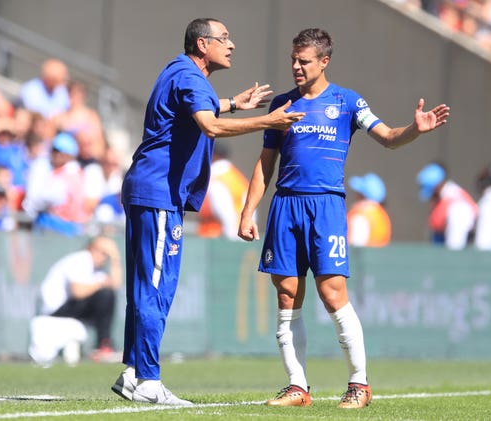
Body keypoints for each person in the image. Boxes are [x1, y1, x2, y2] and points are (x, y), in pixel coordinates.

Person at [237, 28, 449, 409]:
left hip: (326, 207)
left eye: (304, 61)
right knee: (287, 294)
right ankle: (297, 387)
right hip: (285, 206)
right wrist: (248, 211)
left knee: (332, 293)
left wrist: (414, 130)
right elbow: (265, 164)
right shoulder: (282, 105)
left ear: (324, 61)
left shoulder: (348, 102)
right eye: (293, 60)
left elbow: (387, 136)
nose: (296, 67)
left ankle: (359, 385)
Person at [111, 18, 304, 406]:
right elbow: (209, 126)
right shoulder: (190, 76)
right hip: (158, 194)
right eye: (224, 39)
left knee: (143, 288)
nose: (231, 45)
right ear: (203, 44)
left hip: (147, 190)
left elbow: (198, 108)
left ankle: (132, 372)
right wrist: (269, 120)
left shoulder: (179, 72)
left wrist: (235, 103)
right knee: (155, 289)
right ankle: (148, 379)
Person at [33, 235, 122, 364]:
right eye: (103, 252)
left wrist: (115, 257)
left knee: (107, 295)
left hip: (71, 307)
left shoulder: (96, 268)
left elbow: (115, 284)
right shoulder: (81, 260)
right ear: (91, 248)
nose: (105, 257)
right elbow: (78, 292)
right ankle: (103, 345)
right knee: (105, 295)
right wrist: (101, 284)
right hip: (56, 310)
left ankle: (104, 346)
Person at [416, 161, 478, 250]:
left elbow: (456, 246)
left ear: (438, 186)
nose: (431, 198)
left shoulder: (458, 206)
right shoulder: (443, 199)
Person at [197, 142, 253, 239]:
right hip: (236, 235)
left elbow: (224, 212)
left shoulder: (217, 177)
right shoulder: (236, 176)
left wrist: (229, 241)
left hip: (217, 238)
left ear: (213, 155)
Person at [346, 172, 391, 247]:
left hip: (361, 257)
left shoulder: (361, 215)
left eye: (358, 193)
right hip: (377, 257)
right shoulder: (381, 215)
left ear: (363, 195)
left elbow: (355, 246)